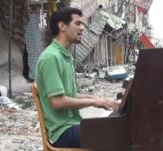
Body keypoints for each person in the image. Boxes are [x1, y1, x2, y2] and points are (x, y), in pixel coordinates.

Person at [35, 7, 120, 148]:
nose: (82, 28)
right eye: (78, 23)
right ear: (62, 26)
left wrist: (98, 99)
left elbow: (70, 95)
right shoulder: (51, 57)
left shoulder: (66, 56)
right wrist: (93, 103)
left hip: (72, 125)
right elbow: (57, 102)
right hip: (61, 132)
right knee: (114, 135)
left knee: (113, 129)